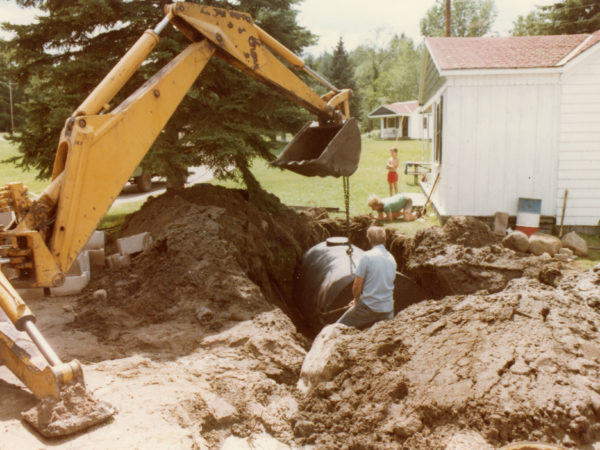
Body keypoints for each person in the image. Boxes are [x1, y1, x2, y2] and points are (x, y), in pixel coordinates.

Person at [336, 226, 396, 329]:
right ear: (384, 239)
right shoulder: (391, 258)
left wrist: (356, 300)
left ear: (369, 239)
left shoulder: (367, 256)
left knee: (337, 328)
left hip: (368, 307)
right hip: (387, 309)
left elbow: (357, 285)